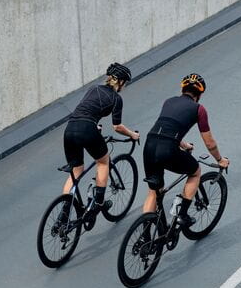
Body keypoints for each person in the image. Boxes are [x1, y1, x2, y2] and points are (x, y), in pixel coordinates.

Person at [142, 73, 229, 226]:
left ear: (183, 89)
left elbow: (167, 126)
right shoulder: (199, 109)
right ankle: (182, 214)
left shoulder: (168, 101)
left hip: (149, 145)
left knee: (154, 192)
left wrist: (183, 144)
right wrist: (220, 160)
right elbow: (210, 143)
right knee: (195, 172)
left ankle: (144, 235)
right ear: (200, 94)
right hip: (167, 149)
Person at [61, 62, 139, 222]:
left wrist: (94, 126)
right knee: (103, 162)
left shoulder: (93, 89)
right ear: (121, 82)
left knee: (76, 170)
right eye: (126, 83)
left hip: (70, 128)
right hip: (88, 129)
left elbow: (85, 110)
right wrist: (133, 135)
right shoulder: (116, 98)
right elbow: (117, 126)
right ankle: (98, 203)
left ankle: (64, 211)